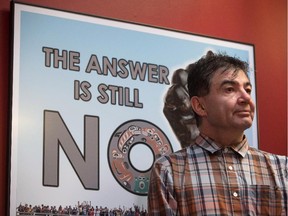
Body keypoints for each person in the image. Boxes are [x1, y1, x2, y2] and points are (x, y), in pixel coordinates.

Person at [147, 51, 288, 215]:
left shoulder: (282, 168)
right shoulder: (169, 170)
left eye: (248, 90)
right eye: (229, 89)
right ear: (200, 106)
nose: (246, 98)